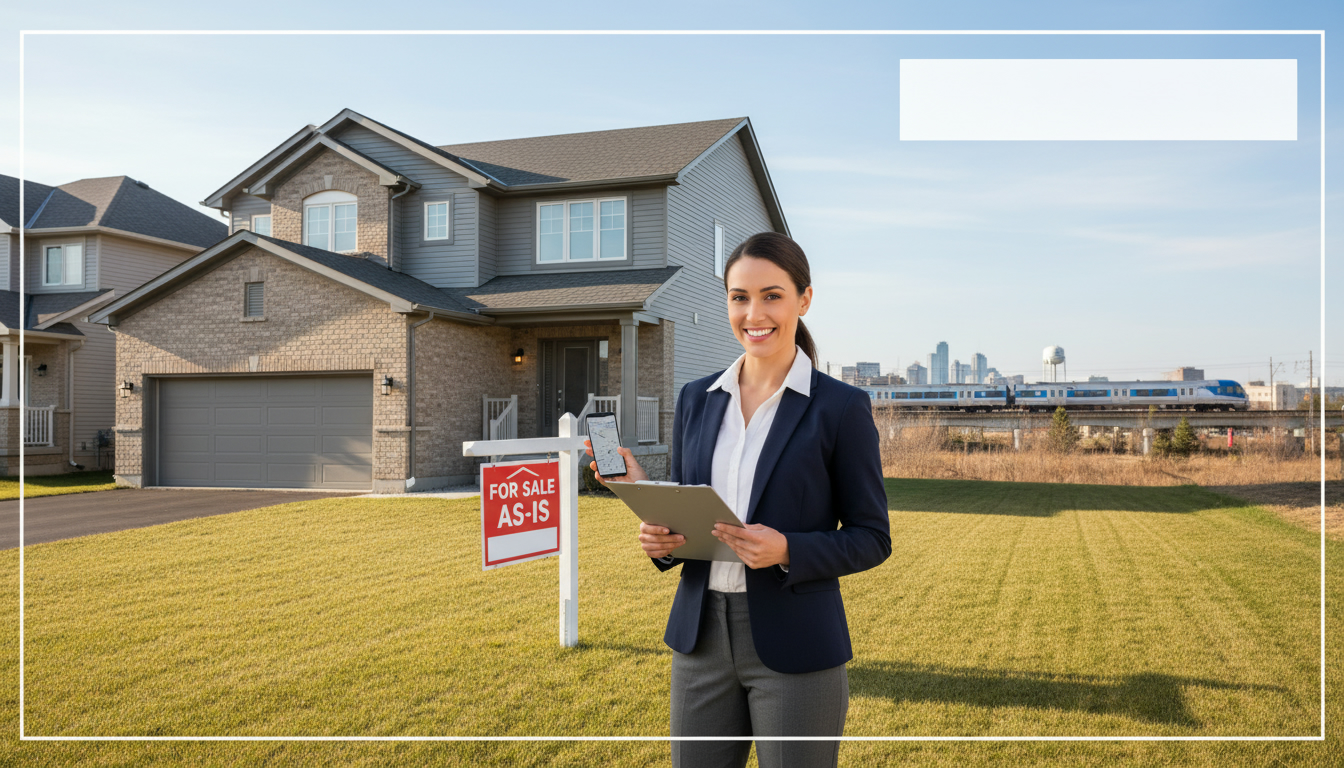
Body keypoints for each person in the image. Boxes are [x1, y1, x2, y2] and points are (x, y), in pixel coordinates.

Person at [585, 231, 891, 768]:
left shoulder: (841, 408)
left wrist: (789, 549)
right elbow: (691, 512)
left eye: (772, 295)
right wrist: (659, 532)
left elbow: (872, 537)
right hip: (699, 640)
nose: (754, 313)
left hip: (796, 648)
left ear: (805, 299)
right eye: (739, 296)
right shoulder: (696, 399)